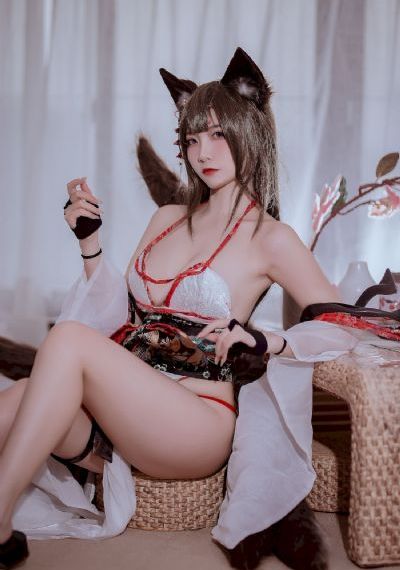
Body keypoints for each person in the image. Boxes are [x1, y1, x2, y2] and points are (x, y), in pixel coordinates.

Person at [1, 47, 388, 570]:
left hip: (195, 424)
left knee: (66, 340)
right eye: (191, 138)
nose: (202, 151)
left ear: (251, 130)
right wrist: (90, 245)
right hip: (123, 415)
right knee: (17, 398)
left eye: (218, 134)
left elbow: (343, 324)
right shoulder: (166, 217)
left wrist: (270, 341)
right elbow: (119, 319)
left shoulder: (271, 238)